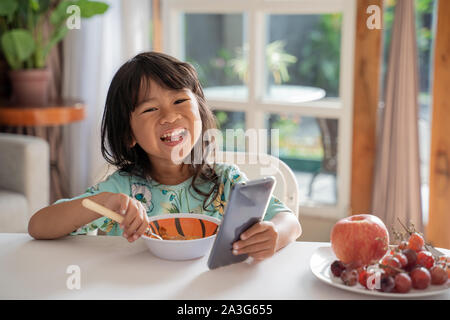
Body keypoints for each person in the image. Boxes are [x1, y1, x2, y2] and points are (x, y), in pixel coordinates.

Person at [28, 52, 302, 261]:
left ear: (200, 112)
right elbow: (38, 226)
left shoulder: (225, 181)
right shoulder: (121, 190)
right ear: (129, 135)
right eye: (150, 110)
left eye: (180, 101)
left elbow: (289, 221)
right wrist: (102, 202)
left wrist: (274, 234)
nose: (169, 116)